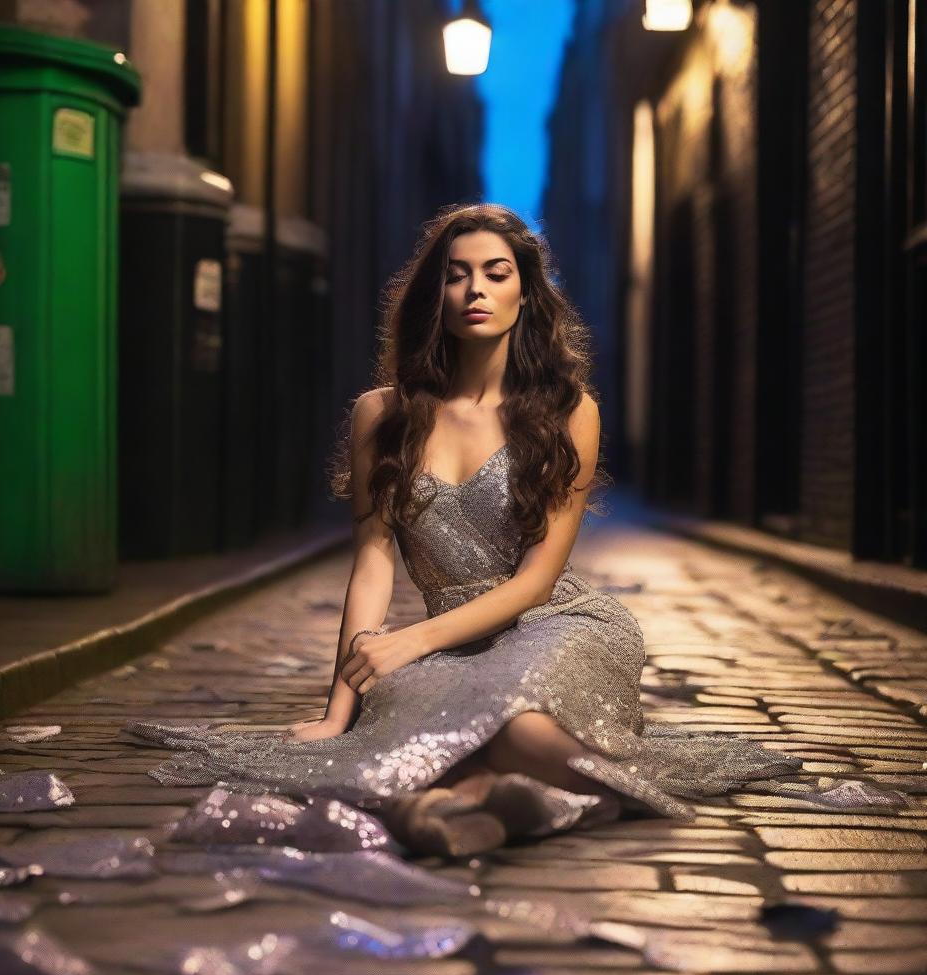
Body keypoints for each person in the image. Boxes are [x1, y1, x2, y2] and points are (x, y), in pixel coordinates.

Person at [125, 203, 892, 857]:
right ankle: (527, 802)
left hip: (557, 623)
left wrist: (409, 642)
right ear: (436, 293)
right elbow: (372, 562)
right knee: (419, 734)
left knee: (515, 714)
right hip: (448, 642)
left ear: (526, 294)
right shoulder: (380, 415)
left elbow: (536, 580)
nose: (475, 289)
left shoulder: (568, 412)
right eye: (457, 273)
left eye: (495, 272)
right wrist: (339, 709)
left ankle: (531, 795)